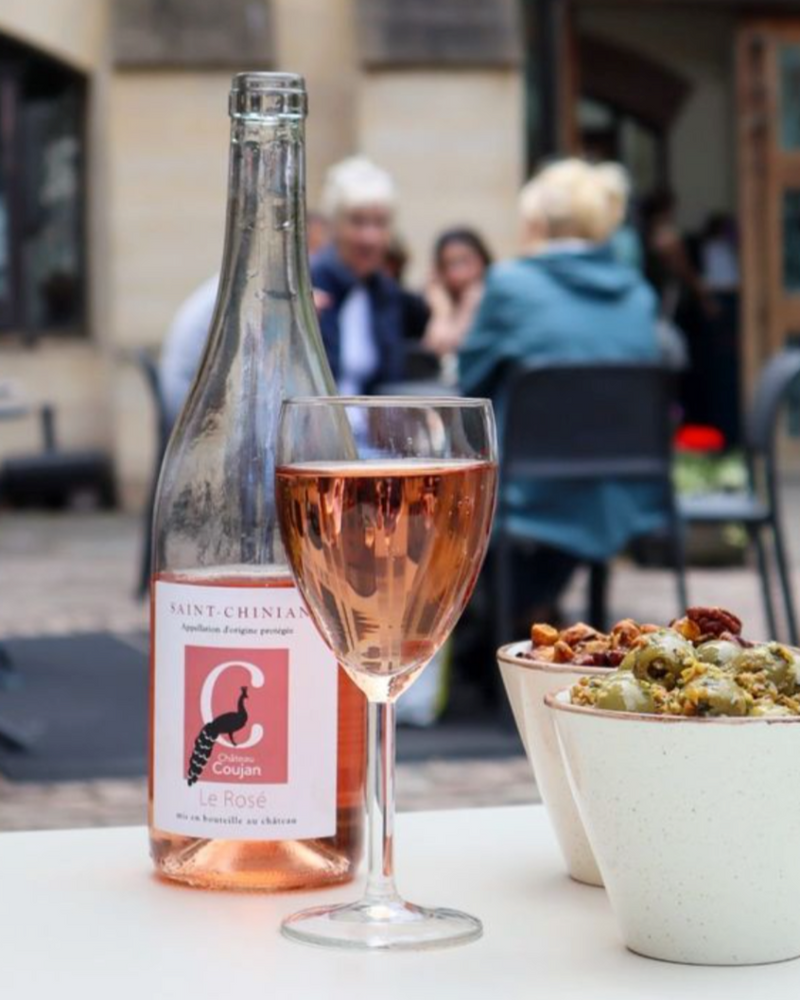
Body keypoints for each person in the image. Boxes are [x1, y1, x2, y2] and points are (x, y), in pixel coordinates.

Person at [459, 157, 663, 625]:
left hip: (529, 496)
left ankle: (495, 658)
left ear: (537, 221)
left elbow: (470, 386)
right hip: (621, 493)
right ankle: (540, 613)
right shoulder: (640, 295)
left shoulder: (511, 285)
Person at [311, 157, 409, 394]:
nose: (369, 237)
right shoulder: (306, 283)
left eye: (380, 223)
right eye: (357, 221)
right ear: (334, 226)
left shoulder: (385, 292)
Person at [423, 228, 492, 358]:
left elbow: (458, 347)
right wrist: (442, 313)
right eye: (450, 264)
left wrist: (468, 306)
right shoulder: (434, 302)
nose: (460, 274)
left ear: (483, 260)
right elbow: (436, 351)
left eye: (465, 261)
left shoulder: (496, 298)